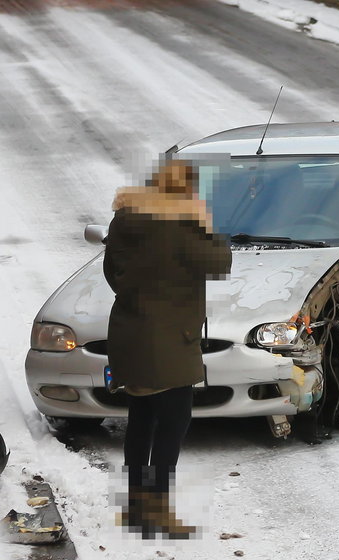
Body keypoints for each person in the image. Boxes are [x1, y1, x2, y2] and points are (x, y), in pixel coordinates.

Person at [103, 159, 231, 539]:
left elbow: (113, 275)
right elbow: (220, 261)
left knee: (141, 419)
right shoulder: (178, 225)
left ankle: (136, 507)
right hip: (169, 340)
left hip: (130, 332)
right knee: (174, 424)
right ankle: (156, 510)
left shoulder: (125, 220)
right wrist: (206, 224)